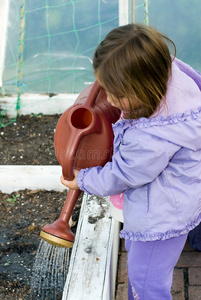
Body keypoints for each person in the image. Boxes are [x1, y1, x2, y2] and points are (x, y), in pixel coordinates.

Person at [60, 23, 201, 300]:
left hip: (160, 218)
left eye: (119, 94)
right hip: (188, 186)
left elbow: (124, 173)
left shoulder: (151, 137)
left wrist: (84, 179)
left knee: (145, 278)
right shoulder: (171, 72)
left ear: (145, 84)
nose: (111, 99)